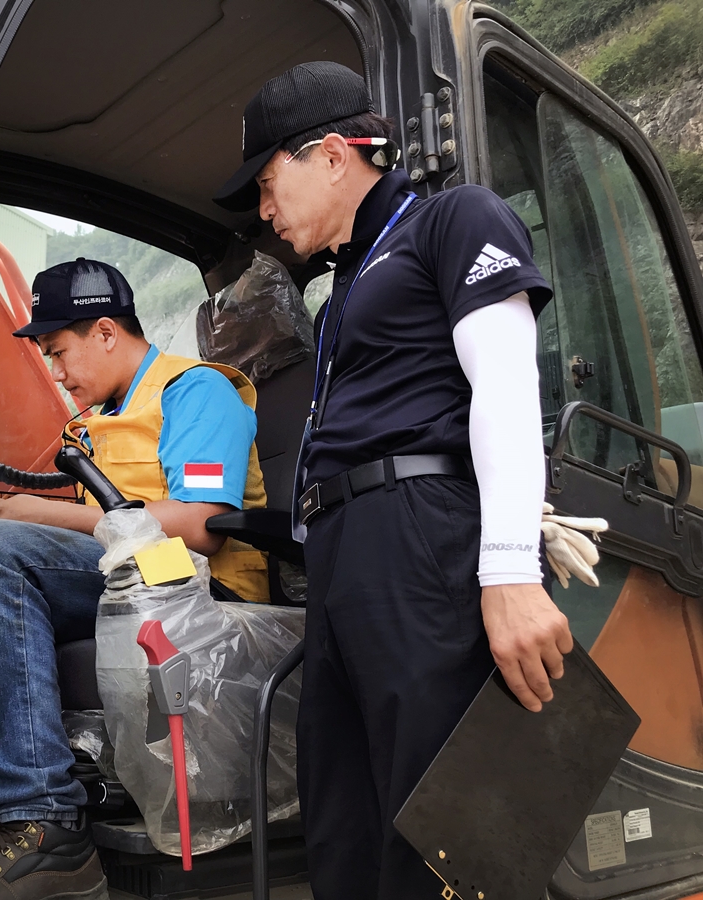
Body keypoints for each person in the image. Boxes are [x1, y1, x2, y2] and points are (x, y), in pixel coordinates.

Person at [214, 61, 574, 899]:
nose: (265, 211)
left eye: (267, 184)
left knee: (437, 825)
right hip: (345, 551)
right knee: (344, 819)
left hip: (417, 530)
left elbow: (505, 385)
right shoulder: (343, 289)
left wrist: (510, 570)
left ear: (331, 155)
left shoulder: (454, 219)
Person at [0, 257, 270, 900]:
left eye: (59, 352)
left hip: (191, 587)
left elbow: (204, 524)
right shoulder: (96, 422)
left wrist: (39, 513)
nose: (57, 373)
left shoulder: (194, 391)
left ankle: (41, 823)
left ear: (105, 332)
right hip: (125, 578)